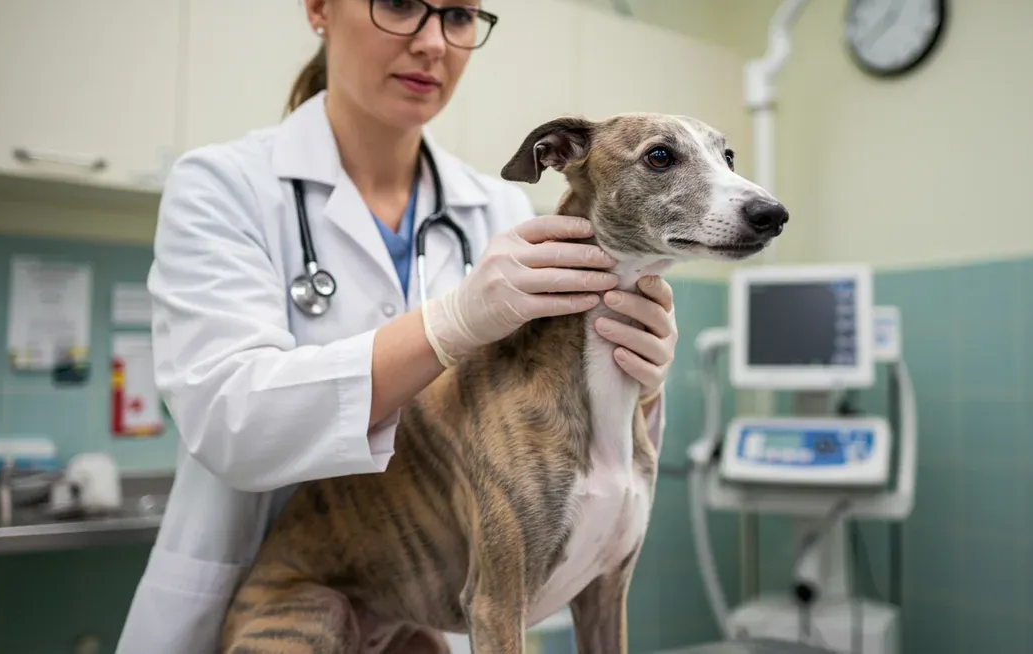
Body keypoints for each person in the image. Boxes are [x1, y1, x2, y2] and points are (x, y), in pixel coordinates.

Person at [115, 0, 677, 651]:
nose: (433, 42)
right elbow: (227, 420)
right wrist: (448, 325)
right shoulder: (222, 187)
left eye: (460, 16)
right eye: (403, 5)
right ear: (320, 9)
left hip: (440, 615)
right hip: (275, 604)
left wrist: (638, 372)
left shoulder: (496, 205)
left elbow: (561, 458)